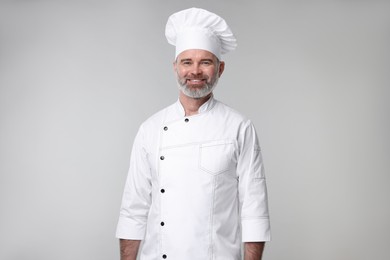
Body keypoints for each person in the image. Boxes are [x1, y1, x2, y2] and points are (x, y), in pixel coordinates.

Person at [116, 7, 271, 260]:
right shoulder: (150, 129)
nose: (195, 71)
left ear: (220, 68)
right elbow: (134, 210)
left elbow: (254, 211)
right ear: (175, 67)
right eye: (187, 62)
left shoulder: (239, 127)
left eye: (205, 62)